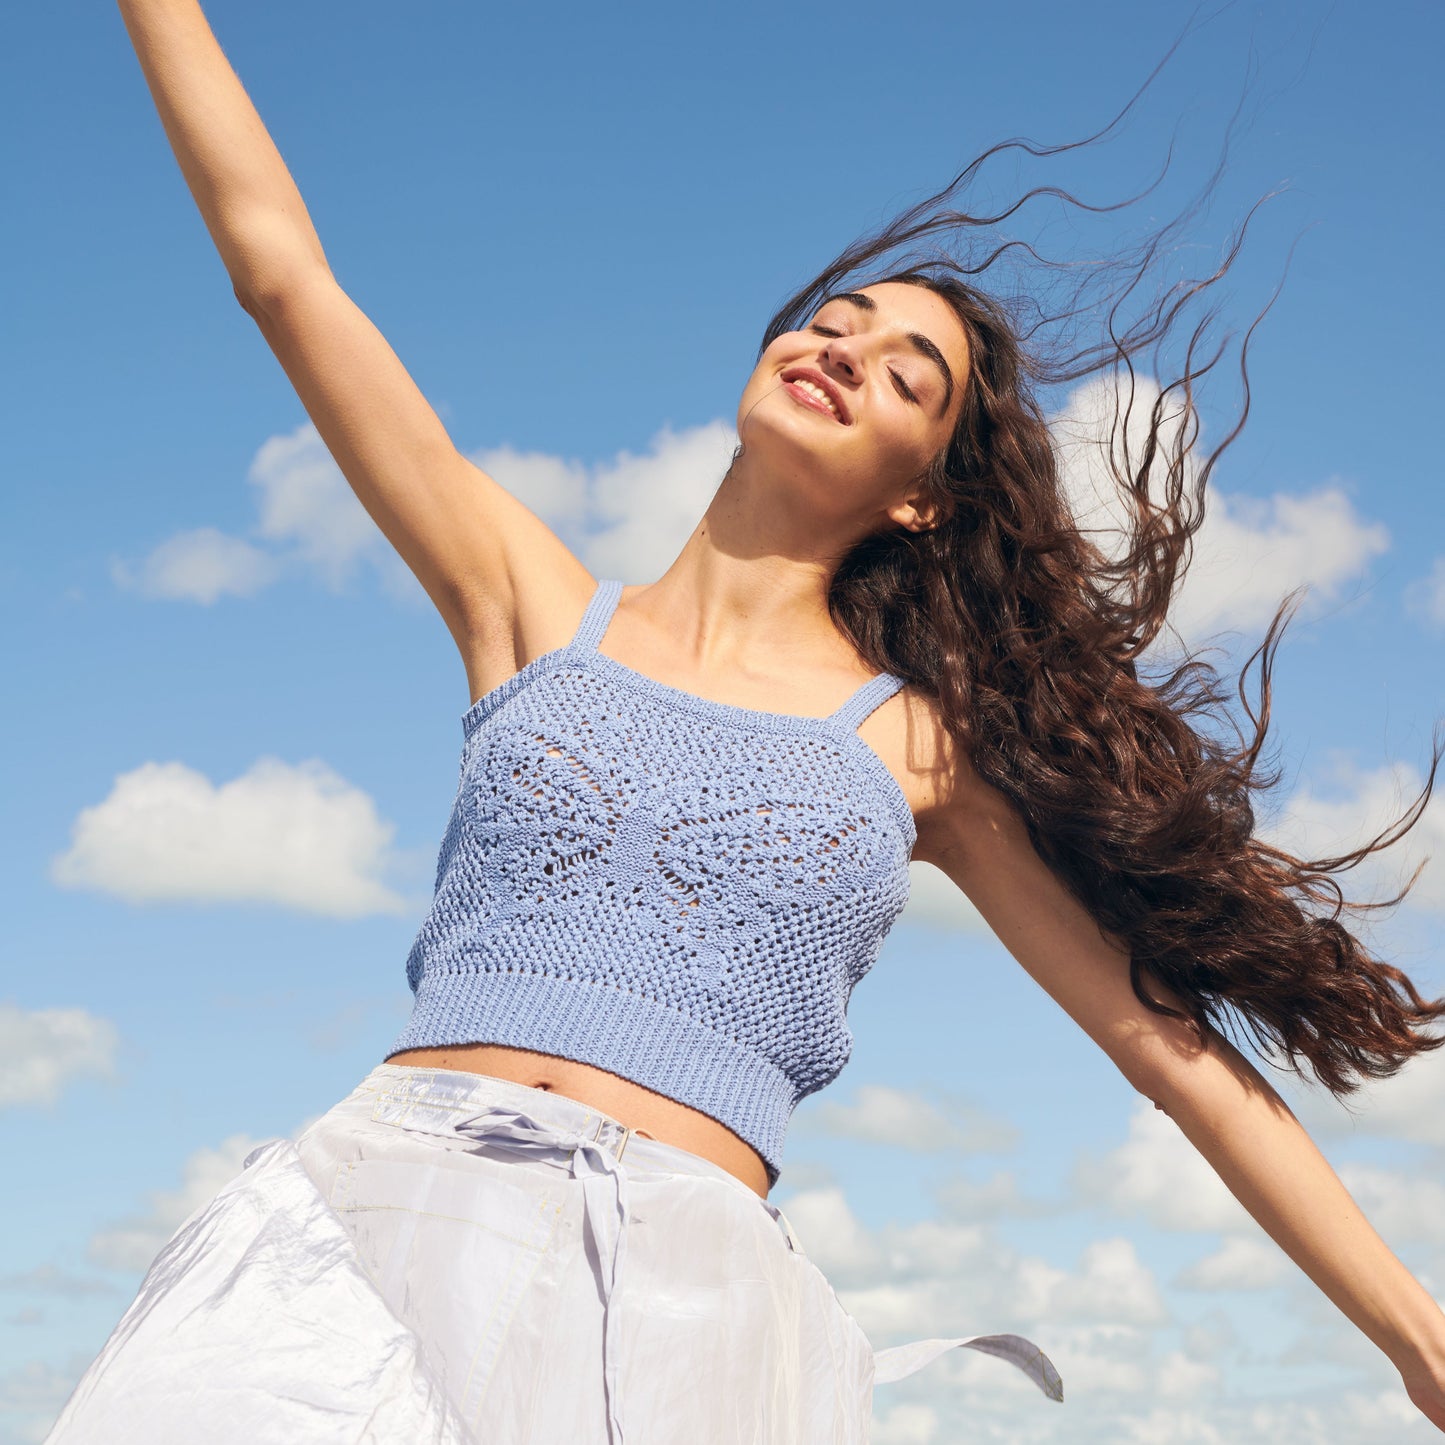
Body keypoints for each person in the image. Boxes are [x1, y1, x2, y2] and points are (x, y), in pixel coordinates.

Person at [47, 2, 1445, 1441]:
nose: (845, 348)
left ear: (922, 497)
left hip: (668, 1306)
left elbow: (1170, 1055)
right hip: (359, 1234)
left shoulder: (909, 748)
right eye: (834, 319)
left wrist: (1418, 1337)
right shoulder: (530, 605)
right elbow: (283, 276)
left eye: (904, 371)